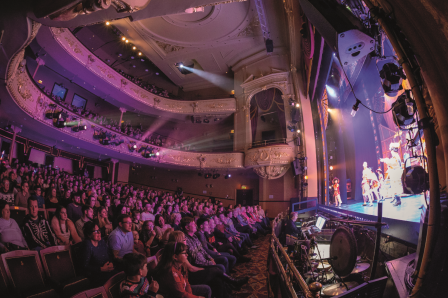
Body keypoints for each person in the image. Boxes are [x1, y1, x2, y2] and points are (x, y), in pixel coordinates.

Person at [80, 221, 118, 287]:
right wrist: (101, 269)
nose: (99, 233)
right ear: (89, 234)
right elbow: (84, 266)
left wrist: (111, 262)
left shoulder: (101, 241)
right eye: (95, 231)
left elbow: (109, 254)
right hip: (96, 274)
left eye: (99, 230)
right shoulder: (87, 245)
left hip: (107, 269)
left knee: (120, 276)